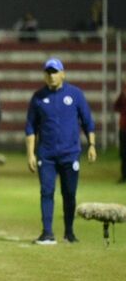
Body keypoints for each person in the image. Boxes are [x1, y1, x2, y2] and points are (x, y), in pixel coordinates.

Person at [26, 58, 96, 245]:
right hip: (46, 154)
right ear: (44, 75)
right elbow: (30, 127)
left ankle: (69, 232)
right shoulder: (38, 97)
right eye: (48, 72)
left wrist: (92, 145)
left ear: (63, 73)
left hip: (70, 153)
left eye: (55, 72)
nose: (51, 76)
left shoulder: (75, 95)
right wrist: (31, 154)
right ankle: (47, 233)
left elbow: (88, 121)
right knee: (46, 191)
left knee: (69, 193)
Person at [113, 82, 126, 183]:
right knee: (123, 153)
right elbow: (116, 106)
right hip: (123, 128)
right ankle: (124, 175)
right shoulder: (123, 94)